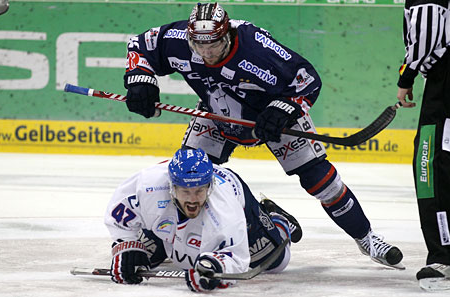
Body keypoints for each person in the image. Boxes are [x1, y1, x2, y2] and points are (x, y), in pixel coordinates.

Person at [122, 2, 404, 269]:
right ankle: (170, 240)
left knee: (321, 181)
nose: (207, 54)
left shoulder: (256, 47)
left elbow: (306, 79)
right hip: (217, 113)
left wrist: (283, 109)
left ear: (228, 34)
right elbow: (140, 46)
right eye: (199, 46)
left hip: (273, 118)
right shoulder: (177, 39)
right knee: (188, 176)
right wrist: (140, 79)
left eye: (215, 45)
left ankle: (367, 238)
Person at [104, 148, 299, 292]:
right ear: (172, 187)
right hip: (168, 222)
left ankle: (278, 220)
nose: (192, 198)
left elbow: (237, 257)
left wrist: (217, 266)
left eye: (199, 190)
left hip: (240, 201)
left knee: (276, 262)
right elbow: (119, 218)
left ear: (209, 187)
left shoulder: (225, 207)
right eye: (185, 191)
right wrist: (126, 245)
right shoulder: (147, 186)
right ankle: (167, 242)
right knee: (141, 258)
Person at [396, 0, 450, 291]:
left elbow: (427, 23)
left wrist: (407, 74)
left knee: (430, 163)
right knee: (448, 162)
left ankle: (449, 261)